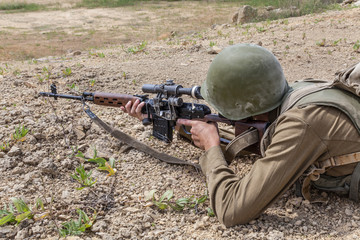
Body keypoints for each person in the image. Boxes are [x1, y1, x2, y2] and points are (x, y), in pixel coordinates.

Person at [121, 43, 360, 227]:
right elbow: (251, 137)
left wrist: (212, 149)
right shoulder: (293, 93)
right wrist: (175, 123)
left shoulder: (302, 124)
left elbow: (231, 209)